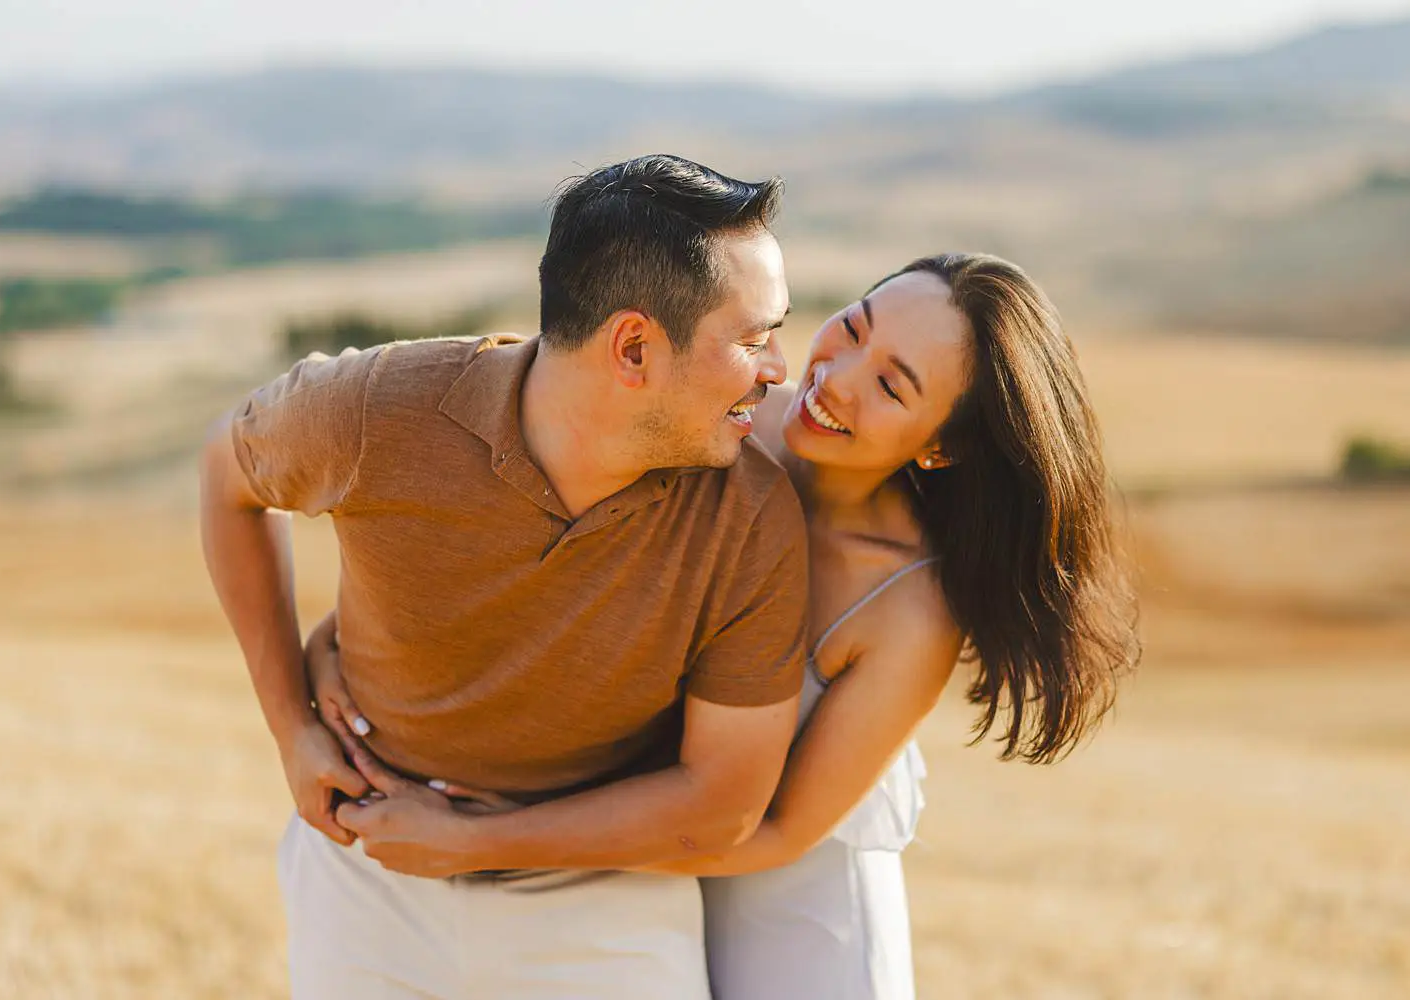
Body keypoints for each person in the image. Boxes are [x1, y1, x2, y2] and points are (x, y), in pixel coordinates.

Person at [308, 252, 1141, 999]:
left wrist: (483, 842)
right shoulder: (717, 425)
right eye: (852, 327)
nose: (838, 377)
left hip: (789, 901)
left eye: (892, 386)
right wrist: (340, 646)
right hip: (642, 861)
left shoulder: (906, 605)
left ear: (940, 449)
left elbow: (778, 830)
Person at [199, 154, 812, 1000]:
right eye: (752, 339)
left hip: (606, 887)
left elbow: (722, 803)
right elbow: (226, 475)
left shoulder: (750, 515)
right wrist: (291, 729)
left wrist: (476, 843)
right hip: (367, 869)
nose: (779, 368)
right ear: (633, 347)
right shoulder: (376, 411)